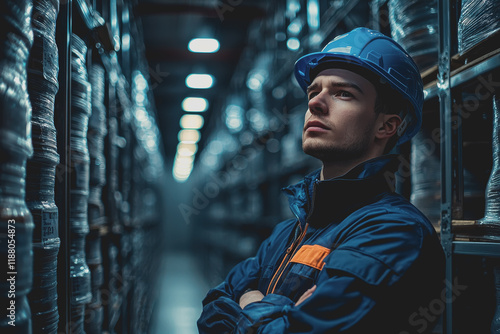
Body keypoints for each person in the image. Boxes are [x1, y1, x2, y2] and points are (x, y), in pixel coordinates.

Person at [197, 27, 444, 334]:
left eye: (343, 93)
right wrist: (278, 311)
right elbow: (211, 309)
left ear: (386, 126)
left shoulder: (395, 232)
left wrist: (248, 299)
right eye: (314, 91)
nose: (315, 103)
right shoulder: (289, 231)